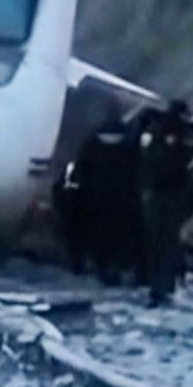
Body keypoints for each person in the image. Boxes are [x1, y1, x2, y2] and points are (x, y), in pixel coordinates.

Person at [57, 116, 139, 280]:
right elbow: (134, 176)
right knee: (113, 238)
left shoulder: (90, 147)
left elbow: (78, 173)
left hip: (92, 200)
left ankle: (89, 263)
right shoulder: (128, 150)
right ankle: (109, 266)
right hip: (118, 204)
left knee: (91, 234)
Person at [136, 100, 193, 307]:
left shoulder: (155, 134)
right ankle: (163, 287)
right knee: (166, 243)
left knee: (156, 242)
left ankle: (156, 285)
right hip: (166, 196)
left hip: (154, 193)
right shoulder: (173, 137)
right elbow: (172, 167)